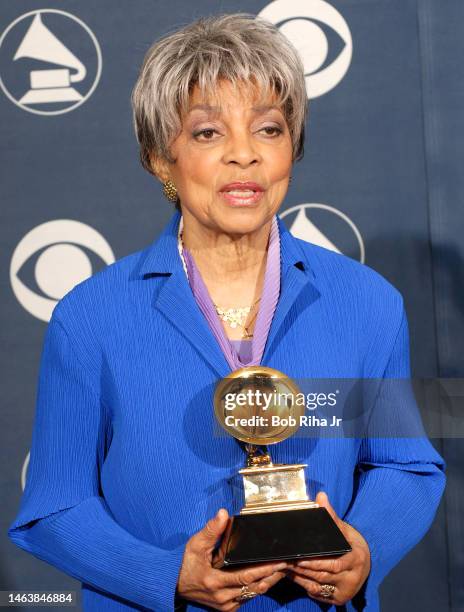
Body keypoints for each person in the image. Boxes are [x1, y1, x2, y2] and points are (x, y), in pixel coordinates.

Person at [8, 13, 445, 612]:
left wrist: (364, 548)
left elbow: (405, 468)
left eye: (268, 129)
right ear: (162, 158)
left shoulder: (367, 304)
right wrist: (168, 576)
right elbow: (55, 507)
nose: (244, 155)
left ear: (292, 148)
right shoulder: (92, 318)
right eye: (208, 133)